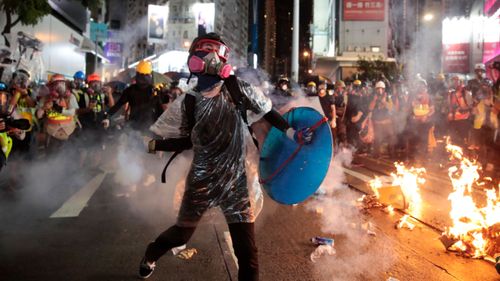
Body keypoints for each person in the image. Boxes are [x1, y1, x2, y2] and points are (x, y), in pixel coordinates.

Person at [140, 32, 313, 281]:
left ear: (223, 59)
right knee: (182, 234)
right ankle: (151, 253)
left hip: (235, 181)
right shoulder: (188, 101)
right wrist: (154, 144)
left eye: (215, 51)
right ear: (193, 61)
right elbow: (188, 140)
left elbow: (268, 112)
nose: (210, 57)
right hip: (202, 180)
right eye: (204, 51)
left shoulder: (238, 89)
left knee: (246, 249)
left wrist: (291, 132)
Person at [102, 60, 159, 132]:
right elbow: (160, 109)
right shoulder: (155, 90)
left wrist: (107, 116)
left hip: (135, 127)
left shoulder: (130, 90)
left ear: (137, 74)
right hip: (148, 127)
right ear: (150, 74)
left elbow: (118, 105)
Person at [408, 80, 435, 161]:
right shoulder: (413, 97)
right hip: (415, 122)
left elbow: (433, 110)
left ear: (425, 87)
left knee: (424, 138)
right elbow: (410, 109)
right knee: (415, 138)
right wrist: (412, 116)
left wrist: (426, 116)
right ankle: (415, 155)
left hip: (425, 122)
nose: (421, 87)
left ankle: (425, 156)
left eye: (422, 85)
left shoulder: (429, 97)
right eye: (419, 85)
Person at [368, 81, 395, 158]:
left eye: (382, 89)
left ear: (384, 90)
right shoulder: (373, 97)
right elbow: (370, 108)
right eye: (378, 89)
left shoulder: (388, 97)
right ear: (376, 90)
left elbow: (392, 108)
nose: (380, 90)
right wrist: (374, 100)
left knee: (391, 138)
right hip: (378, 122)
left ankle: (392, 155)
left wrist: (384, 102)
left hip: (387, 122)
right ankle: (376, 155)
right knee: (378, 139)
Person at [447, 75, 471, 147]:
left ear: (461, 82)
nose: (455, 83)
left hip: (464, 120)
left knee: (463, 140)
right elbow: (449, 106)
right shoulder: (451, 94)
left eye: (457, 81)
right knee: (454, 140)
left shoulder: (466, 93)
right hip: (454, 120)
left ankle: (465, 155)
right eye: (453, 81)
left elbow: (471, 106)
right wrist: (450, 114)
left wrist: (463, 109)